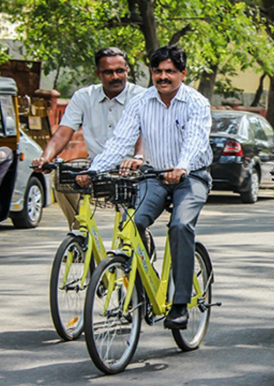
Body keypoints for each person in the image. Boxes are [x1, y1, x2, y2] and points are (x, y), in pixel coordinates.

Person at [81, 45, 213, 330]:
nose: (163, 77)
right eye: (157, 71)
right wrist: (94, 170)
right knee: (133, 222)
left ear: (182, 74)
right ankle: (145, 283)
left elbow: (195, 141)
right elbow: (120, 141)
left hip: (192, 176)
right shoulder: (141, 102)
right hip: (154, 175)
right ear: (151, 73)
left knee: (180, 226)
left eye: (170, 72)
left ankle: (179, 304)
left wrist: (182, 166)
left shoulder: (196, 102)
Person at [32, 47, 145, 229]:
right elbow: (63, 132)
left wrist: (138, 157)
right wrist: (46, 157)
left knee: (131, 226)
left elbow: (145, 133)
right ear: (98, 74)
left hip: (130, 169)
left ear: (127, 71)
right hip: (96, 166)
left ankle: (137, 243)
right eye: (108, 72)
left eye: (120, 71)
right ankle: (80, 236)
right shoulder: (84, 97)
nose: (115, 76)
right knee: (61, 177)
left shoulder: (141, 96)